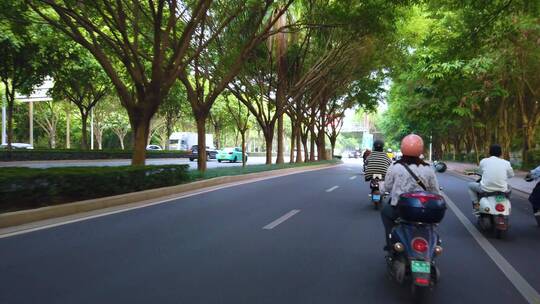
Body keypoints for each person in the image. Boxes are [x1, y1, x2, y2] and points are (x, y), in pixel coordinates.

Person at [381, 134, 441, 249]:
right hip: (424, 210)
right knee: (432, 225)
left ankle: (391, 245)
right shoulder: (428, 169)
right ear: (421, 150)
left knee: (385, 213)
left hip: (400, 210)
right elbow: (435, 192)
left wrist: (381, 189)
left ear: (403, 148)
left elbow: (387, 187)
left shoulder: (395, 167)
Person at [467, 144, 514, 212]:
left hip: (485, 189)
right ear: (501, 153)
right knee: (509, 187)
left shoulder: (484, 161)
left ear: (489, 153)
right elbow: (511, 175)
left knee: (470, 185)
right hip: (501, 190)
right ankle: (506, 200)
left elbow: (480, 172)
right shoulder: (506, 163)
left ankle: (476, 204)